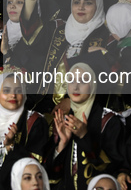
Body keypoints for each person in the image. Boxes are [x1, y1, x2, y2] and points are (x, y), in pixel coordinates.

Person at [47, 62, 126, 190]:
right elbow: (52, 175)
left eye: (83, 81)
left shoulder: (108, 121)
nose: (76, 87)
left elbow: (112, 168)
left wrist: (84, 136)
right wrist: (62, 144)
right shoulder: (63, 120)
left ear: (93, 85)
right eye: (71, 80)